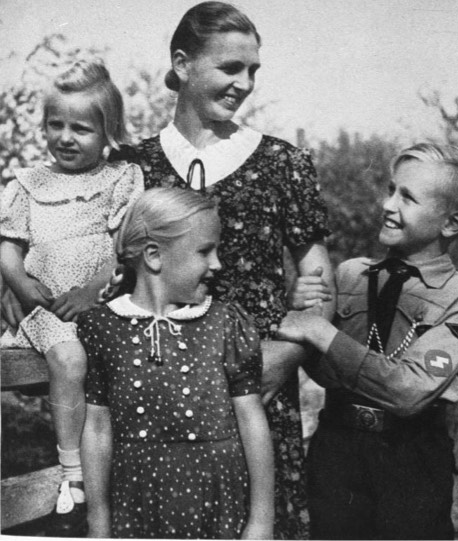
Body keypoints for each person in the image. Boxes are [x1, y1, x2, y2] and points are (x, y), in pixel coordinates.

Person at [106, 2, 335, 538]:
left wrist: (288, 355)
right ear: (182, 64)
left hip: (258, 392)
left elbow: (318, 280)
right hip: (153, 393)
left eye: (253, 70)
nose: (245, 84)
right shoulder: (131, 166)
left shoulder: (282, 163)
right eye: (230, 68)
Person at [278, 143, 458, 540]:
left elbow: (409, 390)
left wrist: (322, 332)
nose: (387, 205)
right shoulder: (351, 274)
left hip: (410, 460)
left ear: (452, 223)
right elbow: (321, 369)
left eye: (407, 198)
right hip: (335, 450)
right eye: (390, 190)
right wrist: (298, 309)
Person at [78, 187, 274, 539]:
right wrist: (98, 520)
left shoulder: (224, 323)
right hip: (136, 499)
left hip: (215, 497)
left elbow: (252, 420)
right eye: (205, 251)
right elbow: (97, 428)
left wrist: (261, 520)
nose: (217, 264)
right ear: (154, 256)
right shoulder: (103, 327)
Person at [0, 59, 144, 537]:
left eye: (80, 128)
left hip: (98, 305)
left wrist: (92, 291)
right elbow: (7, 248)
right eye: (55, 124)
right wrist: (21, 284)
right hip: (45, 307)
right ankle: (72, 474)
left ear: (108, 132)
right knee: (68, 358)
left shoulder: (121, 178)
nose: (65, 137)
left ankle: (121, 469)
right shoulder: (28, 183)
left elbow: (122, 250)